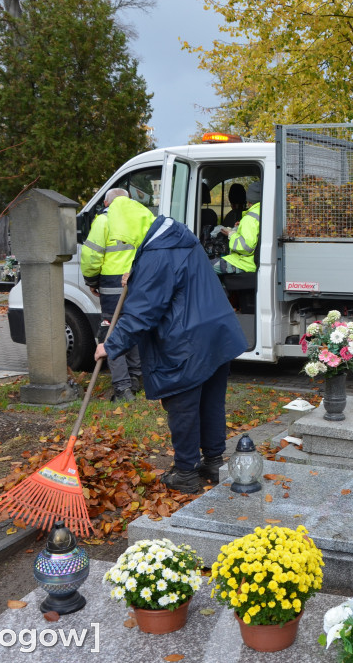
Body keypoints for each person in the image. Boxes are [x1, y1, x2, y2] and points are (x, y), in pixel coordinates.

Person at [95, 210, 248, 494]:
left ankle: (186, 472)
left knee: (183, 406)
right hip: (215, 333)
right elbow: (175, 278)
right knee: (211, 401)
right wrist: (138, 275)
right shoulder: (178, 239)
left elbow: (143, 312)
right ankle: (214, 463)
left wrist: (111, 345)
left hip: (185, 341)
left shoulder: (157, 254)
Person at [80, 189, 150, 402]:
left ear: (105, 202)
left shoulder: (104, 220)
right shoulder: (141, 218)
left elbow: (91, 256)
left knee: (110, 333)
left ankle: (122, 388)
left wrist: (91, 281)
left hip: (113, 285)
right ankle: (136, 377)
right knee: (132, 328)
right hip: (138, 282)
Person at [212, 179, 262, 274]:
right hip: (251, 261)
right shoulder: (261, 212)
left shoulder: (250, 218)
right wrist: (240, 228)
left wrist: (231, 233)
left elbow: (246, 247)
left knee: (205, 267)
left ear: (249, 199)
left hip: (244, 263)